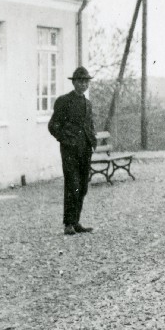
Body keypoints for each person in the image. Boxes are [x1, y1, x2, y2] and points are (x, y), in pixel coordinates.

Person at [48, 66, 98, 235]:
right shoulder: (64, 101)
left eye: (86, 82)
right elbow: (53, 125)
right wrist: (65, 138)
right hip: (70, 150)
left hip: (85, 150)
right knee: (73, 185)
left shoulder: (87, 104)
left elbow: (89, 125)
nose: (83, 85)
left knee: (83, 186)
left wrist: (93, 140)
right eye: (80, 81)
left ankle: (76, 221)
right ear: (74, 83)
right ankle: (68, 223)